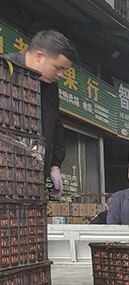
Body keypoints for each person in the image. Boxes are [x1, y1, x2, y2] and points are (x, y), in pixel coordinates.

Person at [2, 31, 76, 200]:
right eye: (58, 68)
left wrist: (55, 167)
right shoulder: (5, 71)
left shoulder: (50, 86)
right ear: (39, 56)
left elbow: (56, 127)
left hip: (32, 182)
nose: (61, 75)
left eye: (65, 70)